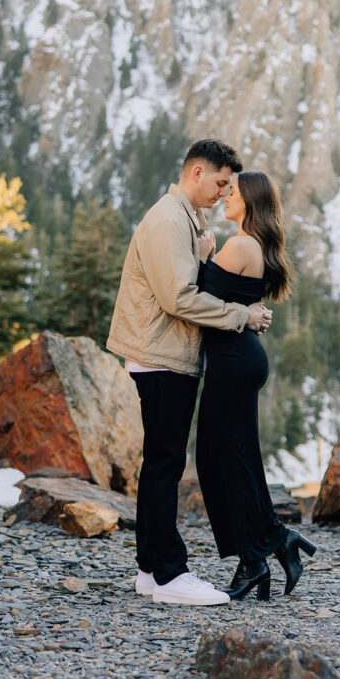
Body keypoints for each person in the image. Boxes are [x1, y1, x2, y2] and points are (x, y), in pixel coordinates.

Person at [107, 139, 272, 606]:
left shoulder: (186, 218)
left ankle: (149, 571)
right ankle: (169, 574)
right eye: (220, 182)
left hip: (168, 354)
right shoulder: (167, 219)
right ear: (196, 173)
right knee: (165, 463)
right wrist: (242, 315)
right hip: (161, 357)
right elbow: (178, 298)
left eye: (229, 186)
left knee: (162, 460)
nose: (223, 192)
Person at [196, 171, 316, 600]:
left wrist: (203, 252)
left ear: (250, 199)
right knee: (231, 458)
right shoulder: (255, 245)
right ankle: (272, 544)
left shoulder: (240, 244)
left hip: (233, 363)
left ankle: (255, 558)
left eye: (233, 190)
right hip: (238, 360)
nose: (227, 194)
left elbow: (196, 296)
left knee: (224, 462)